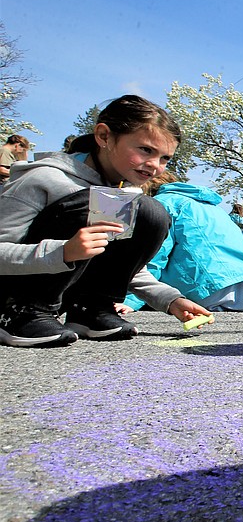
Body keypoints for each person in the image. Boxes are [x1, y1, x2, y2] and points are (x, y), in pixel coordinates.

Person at [0, 95, 211, 347]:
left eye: (165, 158)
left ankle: (90, 309)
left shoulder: (122, 191)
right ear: (104, 137)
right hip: (13, 291)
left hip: (63, 291)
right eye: (145, 150)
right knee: (106, 202)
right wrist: (63, 251)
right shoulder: (43, 178)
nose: (155, 165)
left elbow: (120, 263)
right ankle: (19, 312)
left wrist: (170, 299)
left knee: (150, 212)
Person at [120, 171, 243, 313]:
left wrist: (131, 300)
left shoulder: (162, 204)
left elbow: (154, 257)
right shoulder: (206, 204)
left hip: (213, 291)